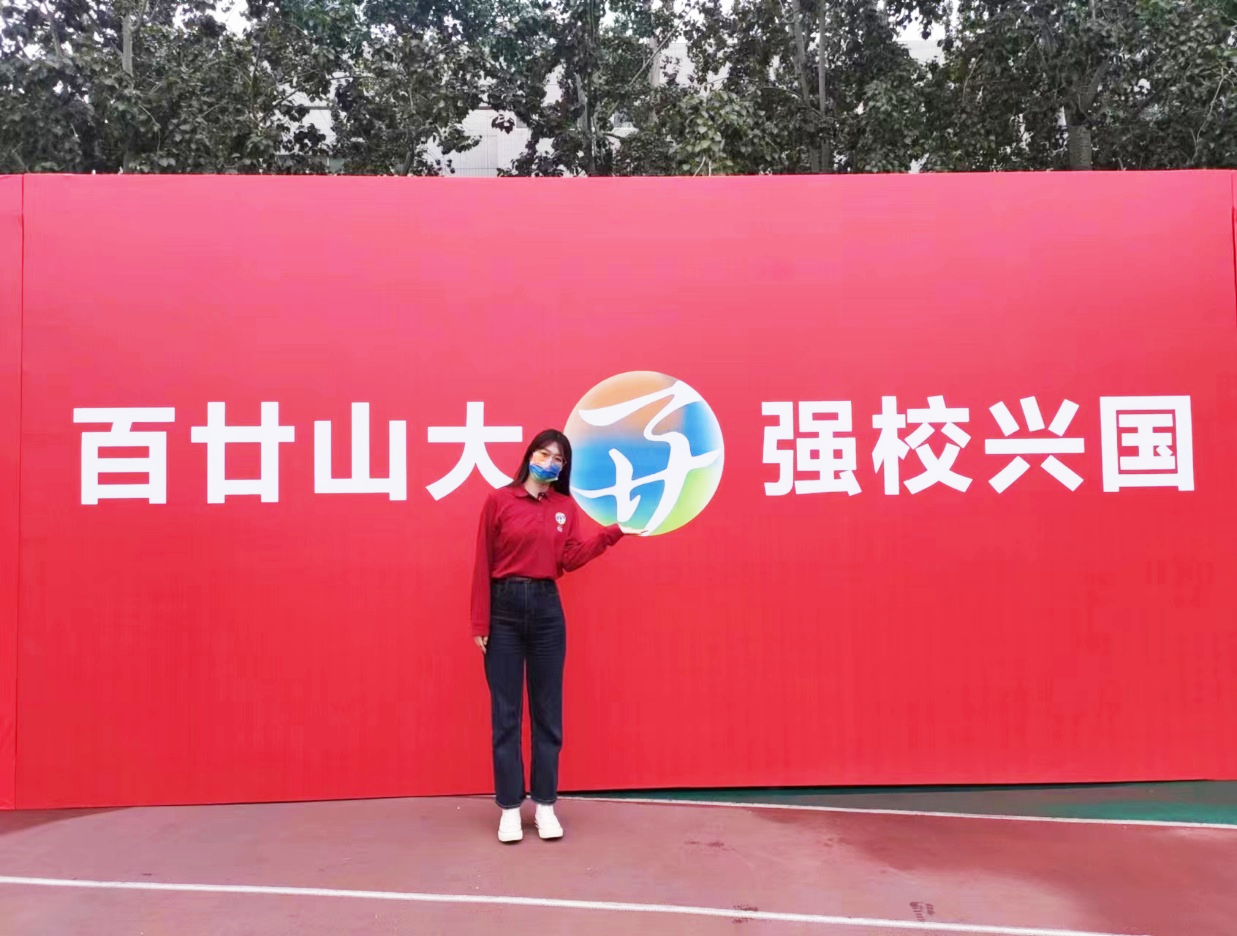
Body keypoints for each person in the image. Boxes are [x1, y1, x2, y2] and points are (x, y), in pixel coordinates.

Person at [471, 428, 627, 843]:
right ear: (530, 456)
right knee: (506, 715)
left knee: (547, 714)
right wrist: (480, 623)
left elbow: (570, 559)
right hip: (503, 610)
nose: (549, 463)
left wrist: (611, 533)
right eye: (544, 454)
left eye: (558, 459)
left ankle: (544, 805)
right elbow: (482, 560)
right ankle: (509, 808)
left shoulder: (564, 507)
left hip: (546, 612)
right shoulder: (500, 501)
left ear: (563, 468)